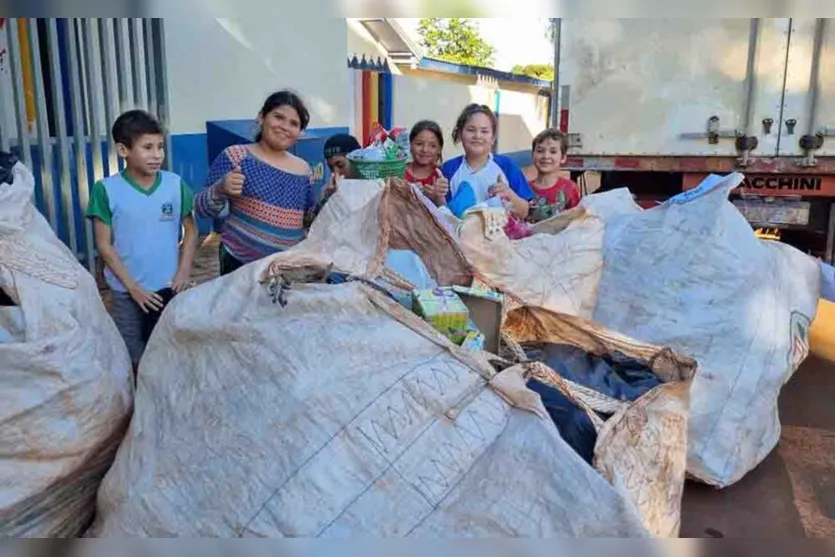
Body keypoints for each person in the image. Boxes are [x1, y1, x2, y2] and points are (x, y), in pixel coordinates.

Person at [86, 109, 198, 369]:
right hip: (126, 291)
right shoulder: (105, 190)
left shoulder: (174, 184)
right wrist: (133, 288)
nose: (157, 154)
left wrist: (182, 273)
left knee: (168, 350)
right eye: (147, 147)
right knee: (132, 354)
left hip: (167, 287)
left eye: (160, 146)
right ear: (123, 150)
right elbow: (104, 245)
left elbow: (191, 231)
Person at [196, 90, 323, 276]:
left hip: (285, 270)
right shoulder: (237, 156)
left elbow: (308, 220)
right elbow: (201, 209)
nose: (285, 127)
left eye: (294, 123)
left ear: (300, 133)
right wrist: (220, 188)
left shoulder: (304, 170)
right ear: (261, 117)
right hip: (238, 263)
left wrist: (328, 197)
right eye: (278, 117)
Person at [440, 104, 533, 219]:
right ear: (459, 134)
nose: (477, 136)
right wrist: (437, 196)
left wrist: (509, 194)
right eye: (471, 130)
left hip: (503, 236)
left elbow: (525, 212)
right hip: (462, 235)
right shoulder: (448, 169)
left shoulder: (507, 166)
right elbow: (444, 214)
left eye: (484, 131)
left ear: (493, 138)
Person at [527, 128, 582, 223]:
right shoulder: (524, 188)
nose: (546, 156)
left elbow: (576, 222)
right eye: (540, 151)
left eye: (553, 152)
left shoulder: (570, 188)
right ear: (533, 155)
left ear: (563, 157)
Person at [405, 120, 449, 206]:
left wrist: (437, 198)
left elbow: (447, 214)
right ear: (410, 145)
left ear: (439, 149)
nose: (425, 149)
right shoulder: (399, 172)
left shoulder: (442, 176)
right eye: (419, 144)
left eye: (432, 146)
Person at [322, 133, 361, 198]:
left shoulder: (375, 187)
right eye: (331, 168)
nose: (336, 173)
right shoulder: (328, 191)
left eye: (341, 165)